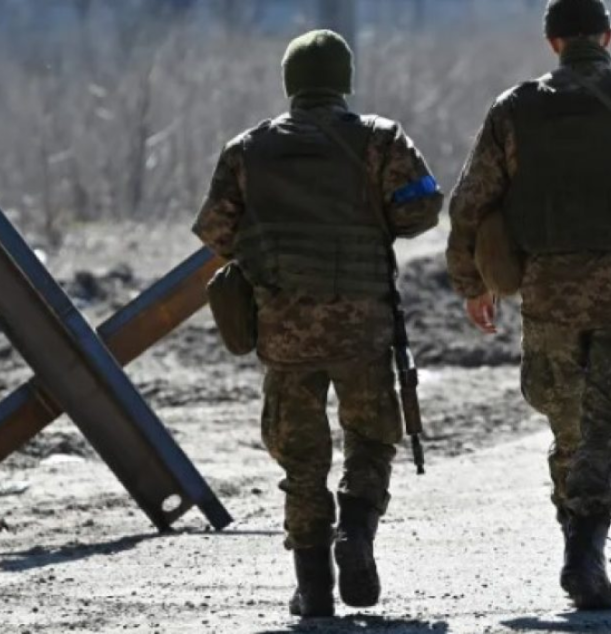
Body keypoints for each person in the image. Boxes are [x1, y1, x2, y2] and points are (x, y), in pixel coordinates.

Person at [446, 0, 611, 610]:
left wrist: (472, 285)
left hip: (545, 289)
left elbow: (469, 205)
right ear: (607, 36)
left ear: (552, 43)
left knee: (567, 419)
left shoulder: (513, 110)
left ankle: (578, 541)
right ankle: (586, 548)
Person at [192, 29, 443, 618]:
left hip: (284, 330)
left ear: (291, 84)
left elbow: (216, 234)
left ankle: (313, 589)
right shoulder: (381, 139)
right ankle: (355, 530)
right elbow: (423, 208)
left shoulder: (246, 149)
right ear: (343, 82)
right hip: (363, 325)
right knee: (372, 437)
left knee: (301, 459)